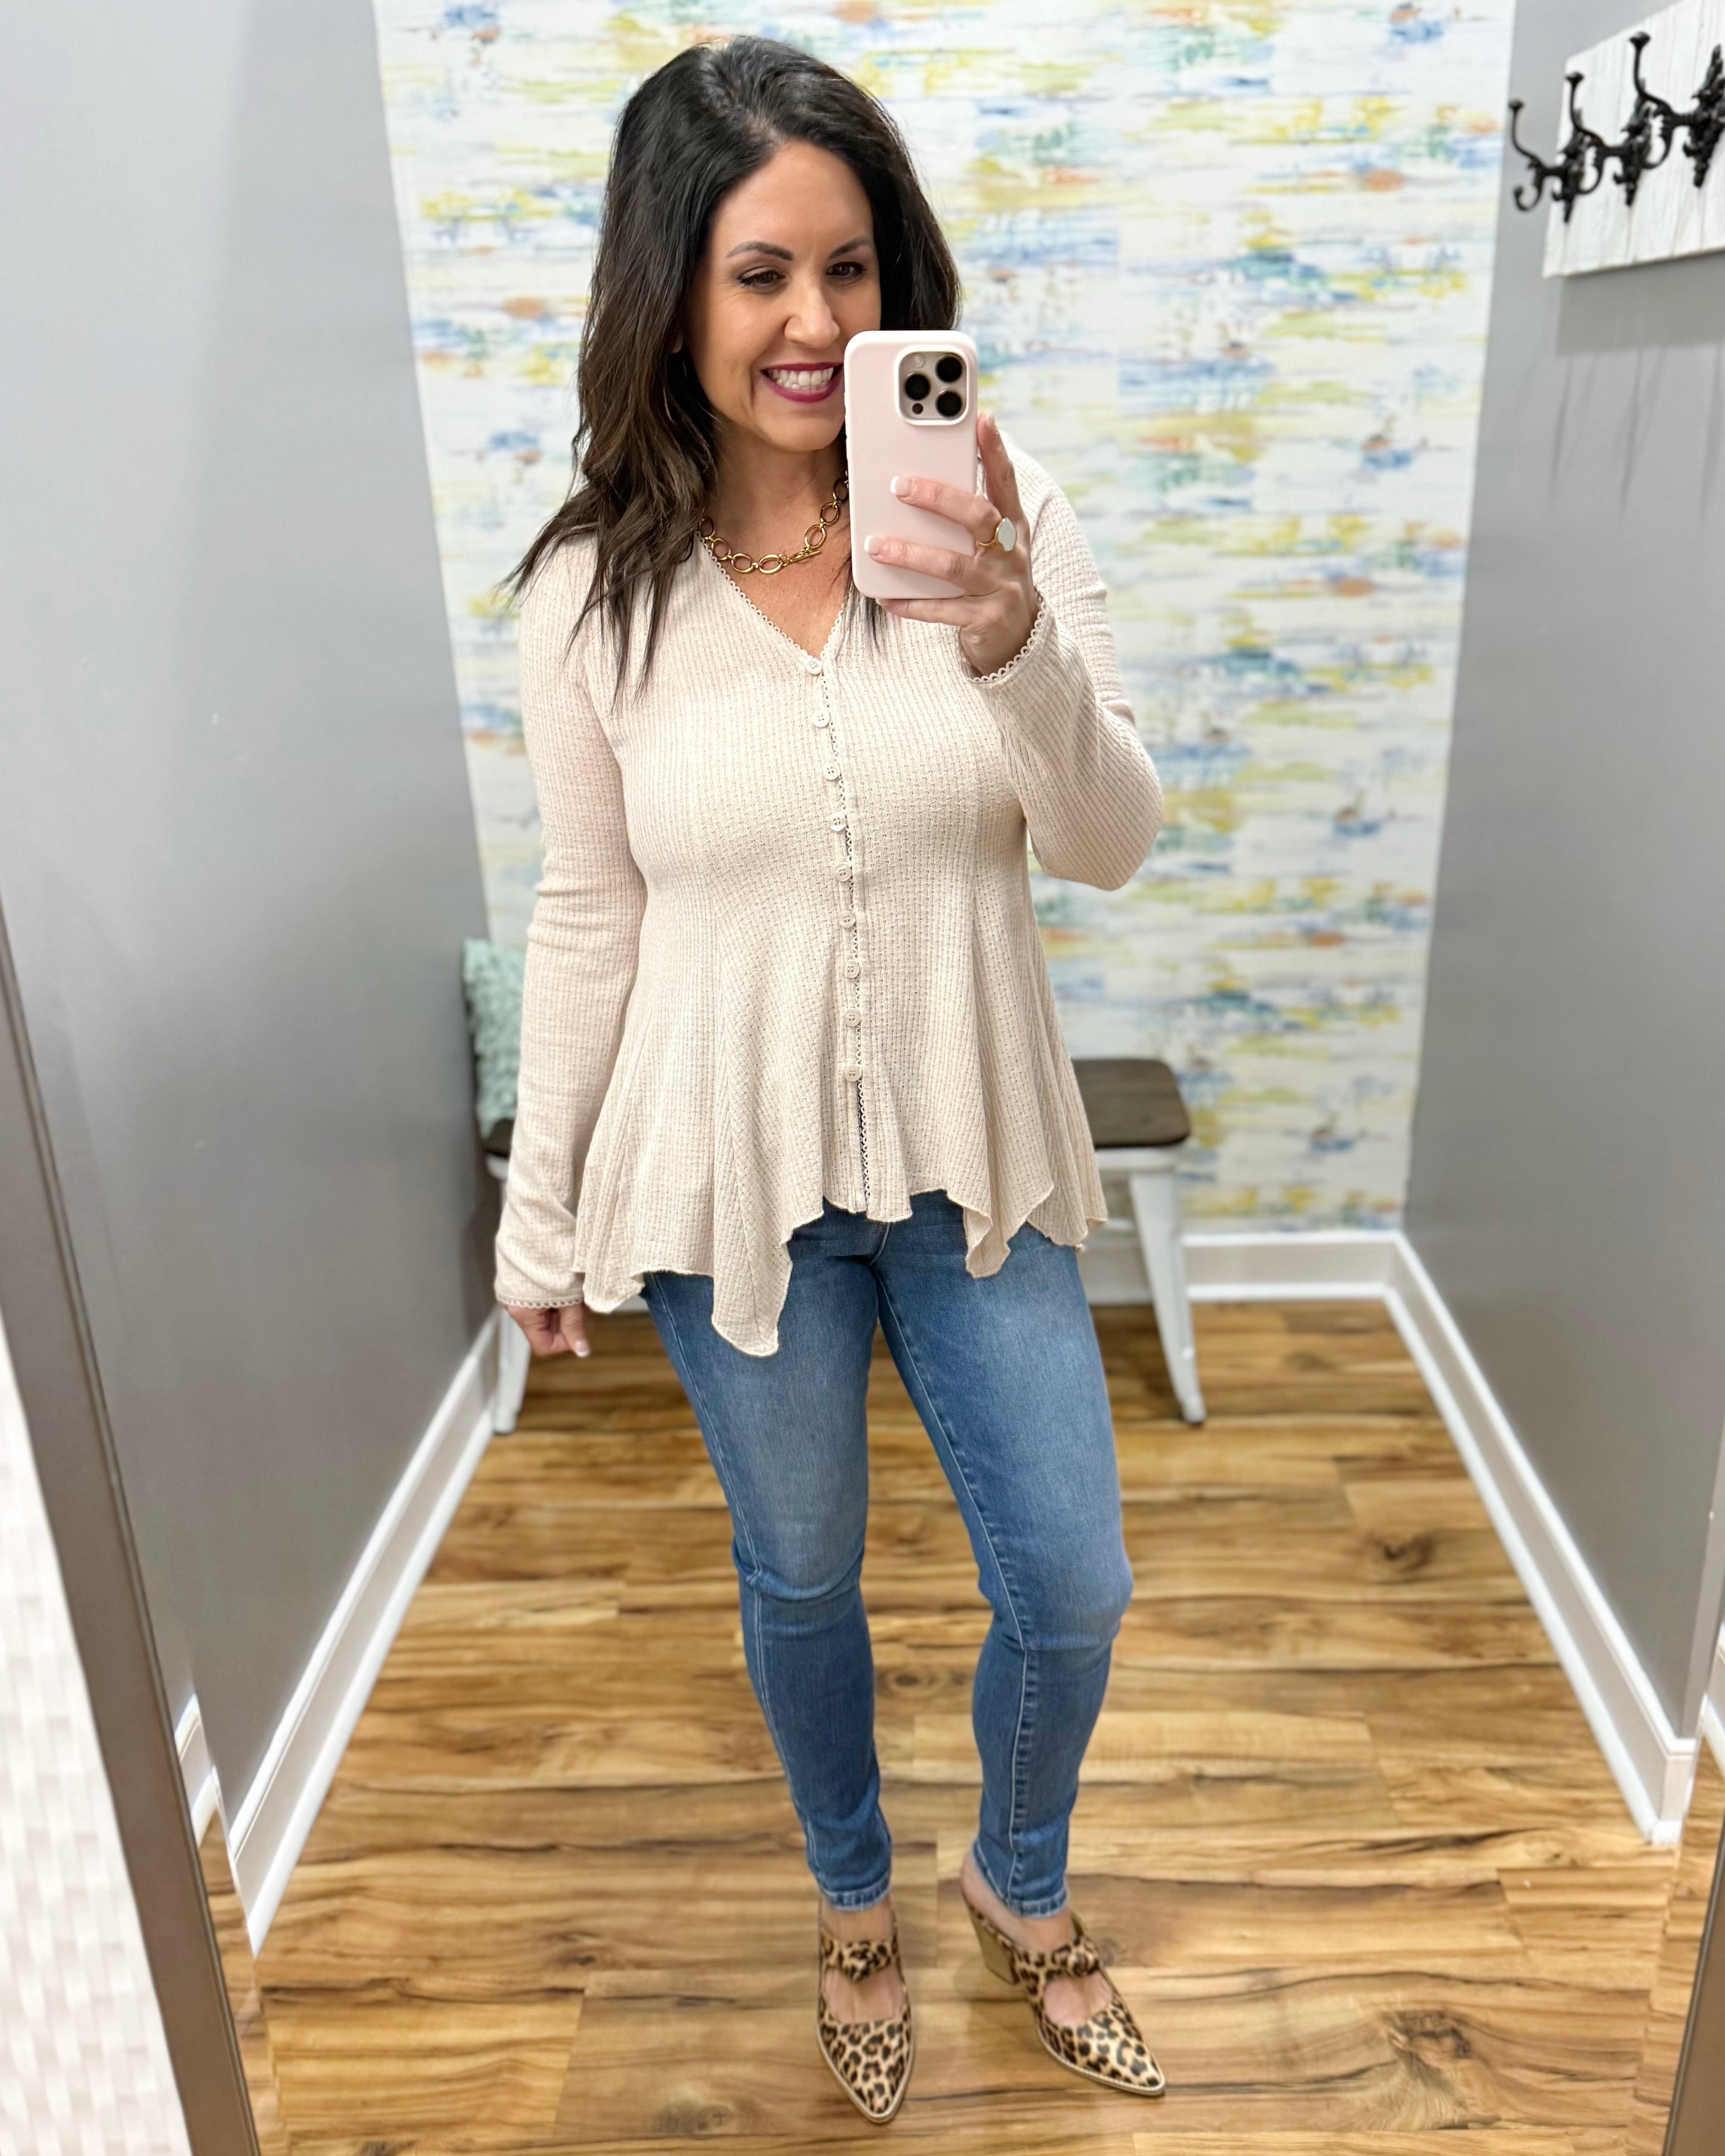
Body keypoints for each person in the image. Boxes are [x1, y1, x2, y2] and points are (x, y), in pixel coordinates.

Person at [495, 35, 1165, 2124]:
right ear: (669, 293)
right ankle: (854, 1895)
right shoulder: (589, 589)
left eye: (854, 270)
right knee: (800, 1580)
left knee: (1071, 1575)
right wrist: (541, 1211)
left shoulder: (1003, 514)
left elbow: (1113, 837)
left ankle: (1019, 1880)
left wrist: (1011, 638)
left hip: (976, 1165)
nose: (816, 324)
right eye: (760, 273)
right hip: (728, 1180)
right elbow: (591, 914)